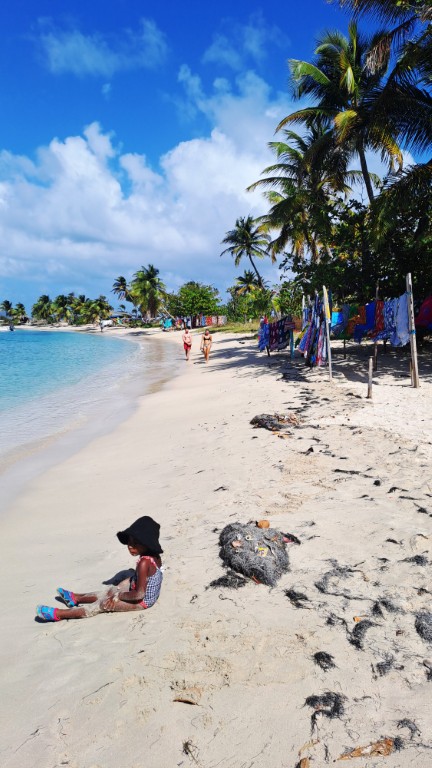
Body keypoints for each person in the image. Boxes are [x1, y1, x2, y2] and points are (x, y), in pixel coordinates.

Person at [36, 516, 163, 621]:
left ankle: (59, 614)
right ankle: (76, 598)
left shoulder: (144, 563)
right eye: (129, 542)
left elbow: (139, 595)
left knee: (102, 605)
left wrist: (118, 597)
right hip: (141, 591)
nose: (130, 546)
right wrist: (117, 592)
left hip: (142, 602)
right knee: (110, 591)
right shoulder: (154, 557)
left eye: (135, 543)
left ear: (147, 544)